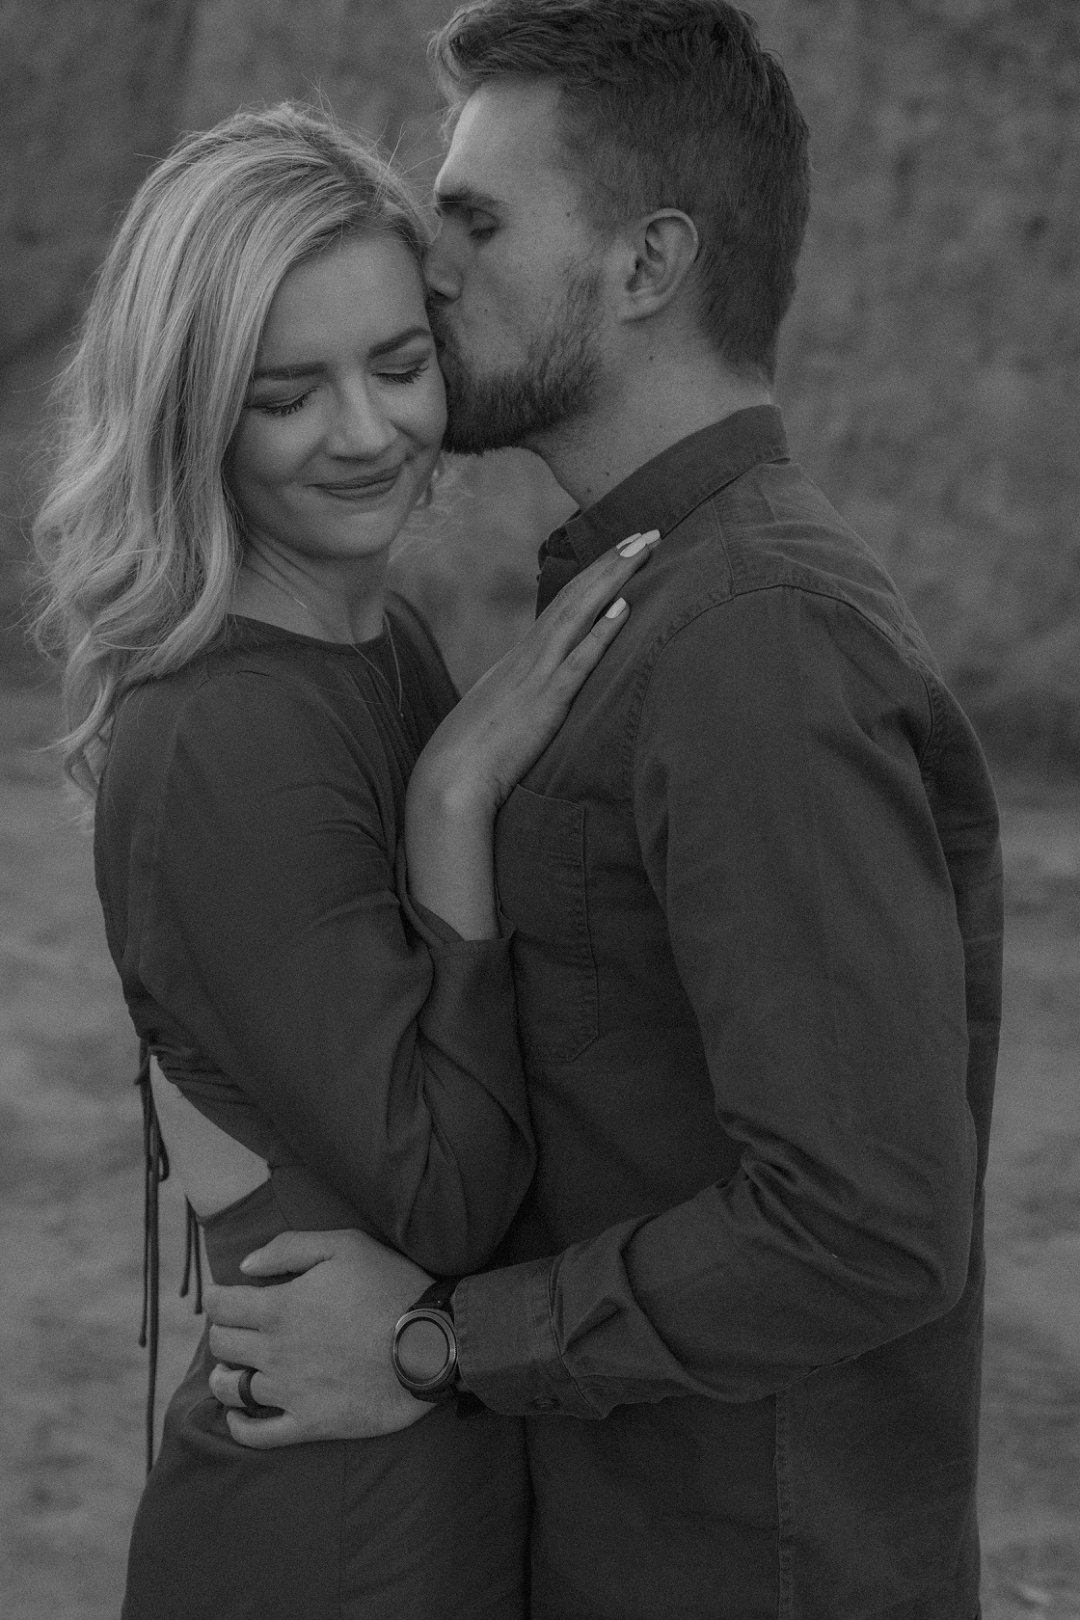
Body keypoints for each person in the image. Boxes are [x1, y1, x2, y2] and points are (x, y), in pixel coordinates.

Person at [204, 4, 1004, 1619]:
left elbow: (866, 1223)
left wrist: (436, 1344)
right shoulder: (653, 605)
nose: (427, 267)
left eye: (478, 221)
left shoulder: (757, 640)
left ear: (648, 264)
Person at [32, 102, 660, 1619]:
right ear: (192, 412)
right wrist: (452, 801)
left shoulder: (385, 640)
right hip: (332, 1528)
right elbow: (445, 1198)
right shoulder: (228, 734)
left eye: (397, 364)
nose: (370, 432)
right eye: (287, 394)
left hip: (433, 1455)